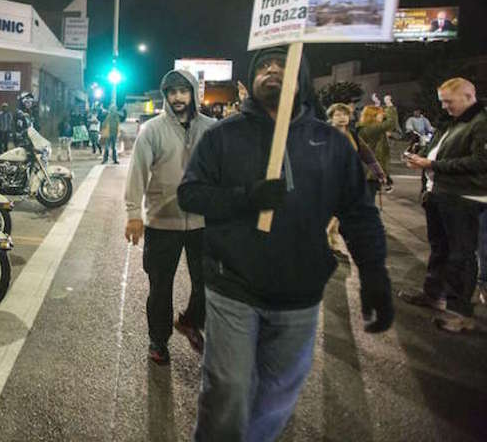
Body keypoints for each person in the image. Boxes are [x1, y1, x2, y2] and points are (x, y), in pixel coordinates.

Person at [178, 46, 393, 442]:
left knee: (277, 394)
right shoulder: (223, 137)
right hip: (233, 288)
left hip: (300, 295)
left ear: (303, 79)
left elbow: (359, 214)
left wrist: (375, 272)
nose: (271, 70)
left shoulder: (330, 143)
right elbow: (191, 196)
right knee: (227, 390)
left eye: (282, 64)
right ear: (250, 80)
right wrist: (248, 197)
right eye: (263, 66)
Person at [124, 70, 215, 361]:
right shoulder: (152, 130)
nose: (178, 97)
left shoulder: (212, 129)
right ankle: (158, 340)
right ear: (165, 96)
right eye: (172, 92)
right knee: (160, 287)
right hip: (162, 221)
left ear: (193, 94)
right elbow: (137, 171)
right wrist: (133, 214)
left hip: (203, 222)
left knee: (209, 284)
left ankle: (190, 320)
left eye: (183, 91)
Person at [401, 77, 487, 333]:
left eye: (449, 101)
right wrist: (420, 158)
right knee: (440, 249)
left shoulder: (481, 123)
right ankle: (433, 294)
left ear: (469, 97)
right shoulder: (452, 122)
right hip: (440, 195)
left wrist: (432, 165)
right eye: (442, 102)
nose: (445, 107)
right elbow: (437, 151)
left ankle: (460, 313)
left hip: (463, 198)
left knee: (461, 254)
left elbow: (481, 162)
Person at [326, 103, 388, 259]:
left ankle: (330, 242)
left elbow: (367, 155)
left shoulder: (352, 135)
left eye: (345, 115)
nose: (342, 118)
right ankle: (327, 241)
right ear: (331, 117)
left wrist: (379, 173)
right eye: (338, 115)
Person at [357, 100, 397, 194]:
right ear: (373, 116)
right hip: (370, 171)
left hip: (371, 170)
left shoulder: (368, 127)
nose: (382, 116)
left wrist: (377, 105)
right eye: (380, 114)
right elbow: (391, 123)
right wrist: (389, 105)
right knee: (368, 199)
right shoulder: (370, 128)